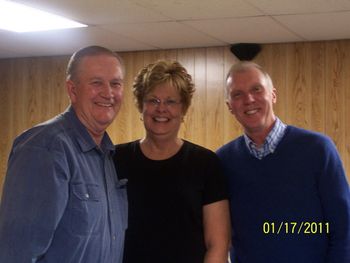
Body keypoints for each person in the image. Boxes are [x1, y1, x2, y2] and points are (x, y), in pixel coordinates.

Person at [0, 46, 127, 263]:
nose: (108, 93)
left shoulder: (106, 154)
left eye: (115, 83)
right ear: (72, 90)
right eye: (96, 83)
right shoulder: (45, 148)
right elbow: (17, 252)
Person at [216, 61, 350, 263]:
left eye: (256, 89)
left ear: (273, 95)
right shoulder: (222, 161)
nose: (249, 99)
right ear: (229, 107)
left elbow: (344, 227)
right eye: (237, 94)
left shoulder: (317, 149)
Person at [114, 60, 231, 263]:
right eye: (153, 100)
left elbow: (218, 244)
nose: (161, 109)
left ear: (183, 109)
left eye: (171, 101)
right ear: (141, 107)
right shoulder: (115, 159)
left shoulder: (205, 163)